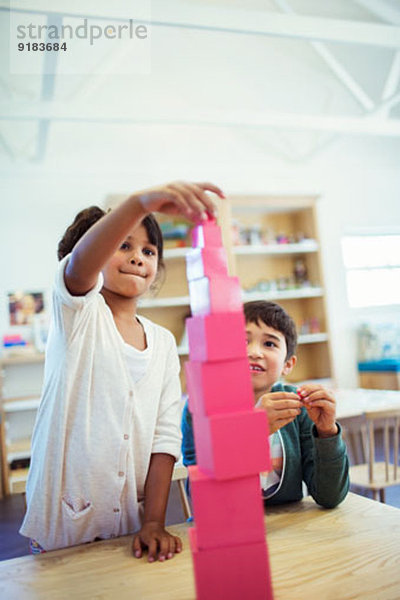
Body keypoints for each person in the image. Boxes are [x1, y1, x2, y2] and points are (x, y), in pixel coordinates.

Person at [20, 181, 225, 561]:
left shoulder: (163, 343)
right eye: (123, 245)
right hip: (62, 524)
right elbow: (81, 269)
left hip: (128, 525)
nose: (138, 257)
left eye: (148, 250)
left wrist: (153, 521)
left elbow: (164, 439)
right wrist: (138, 203)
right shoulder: (79, 316)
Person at [181, 300, 349, 508]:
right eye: (242, 341)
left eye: (269, 344)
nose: (254, 352)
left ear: (288, 365)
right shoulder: (200, 409)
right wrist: (252, 431)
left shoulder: (297, 407)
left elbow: (330, 497)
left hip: (288, 531)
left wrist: (327, 432)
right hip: (228, 531)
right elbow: (203, 500)